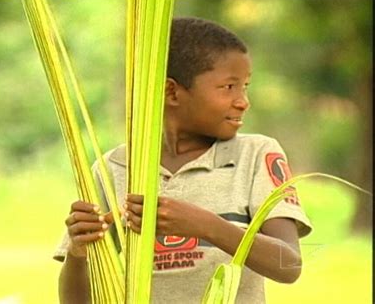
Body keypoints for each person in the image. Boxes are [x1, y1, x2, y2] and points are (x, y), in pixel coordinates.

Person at [54, 17, 313, 304]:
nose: (243, 101)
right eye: (229, 87)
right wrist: (78, 254)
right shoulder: (114, 168)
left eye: (245, 87)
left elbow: (289, 265)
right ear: (171, 91)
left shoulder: (255, 155)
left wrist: (205, 225)